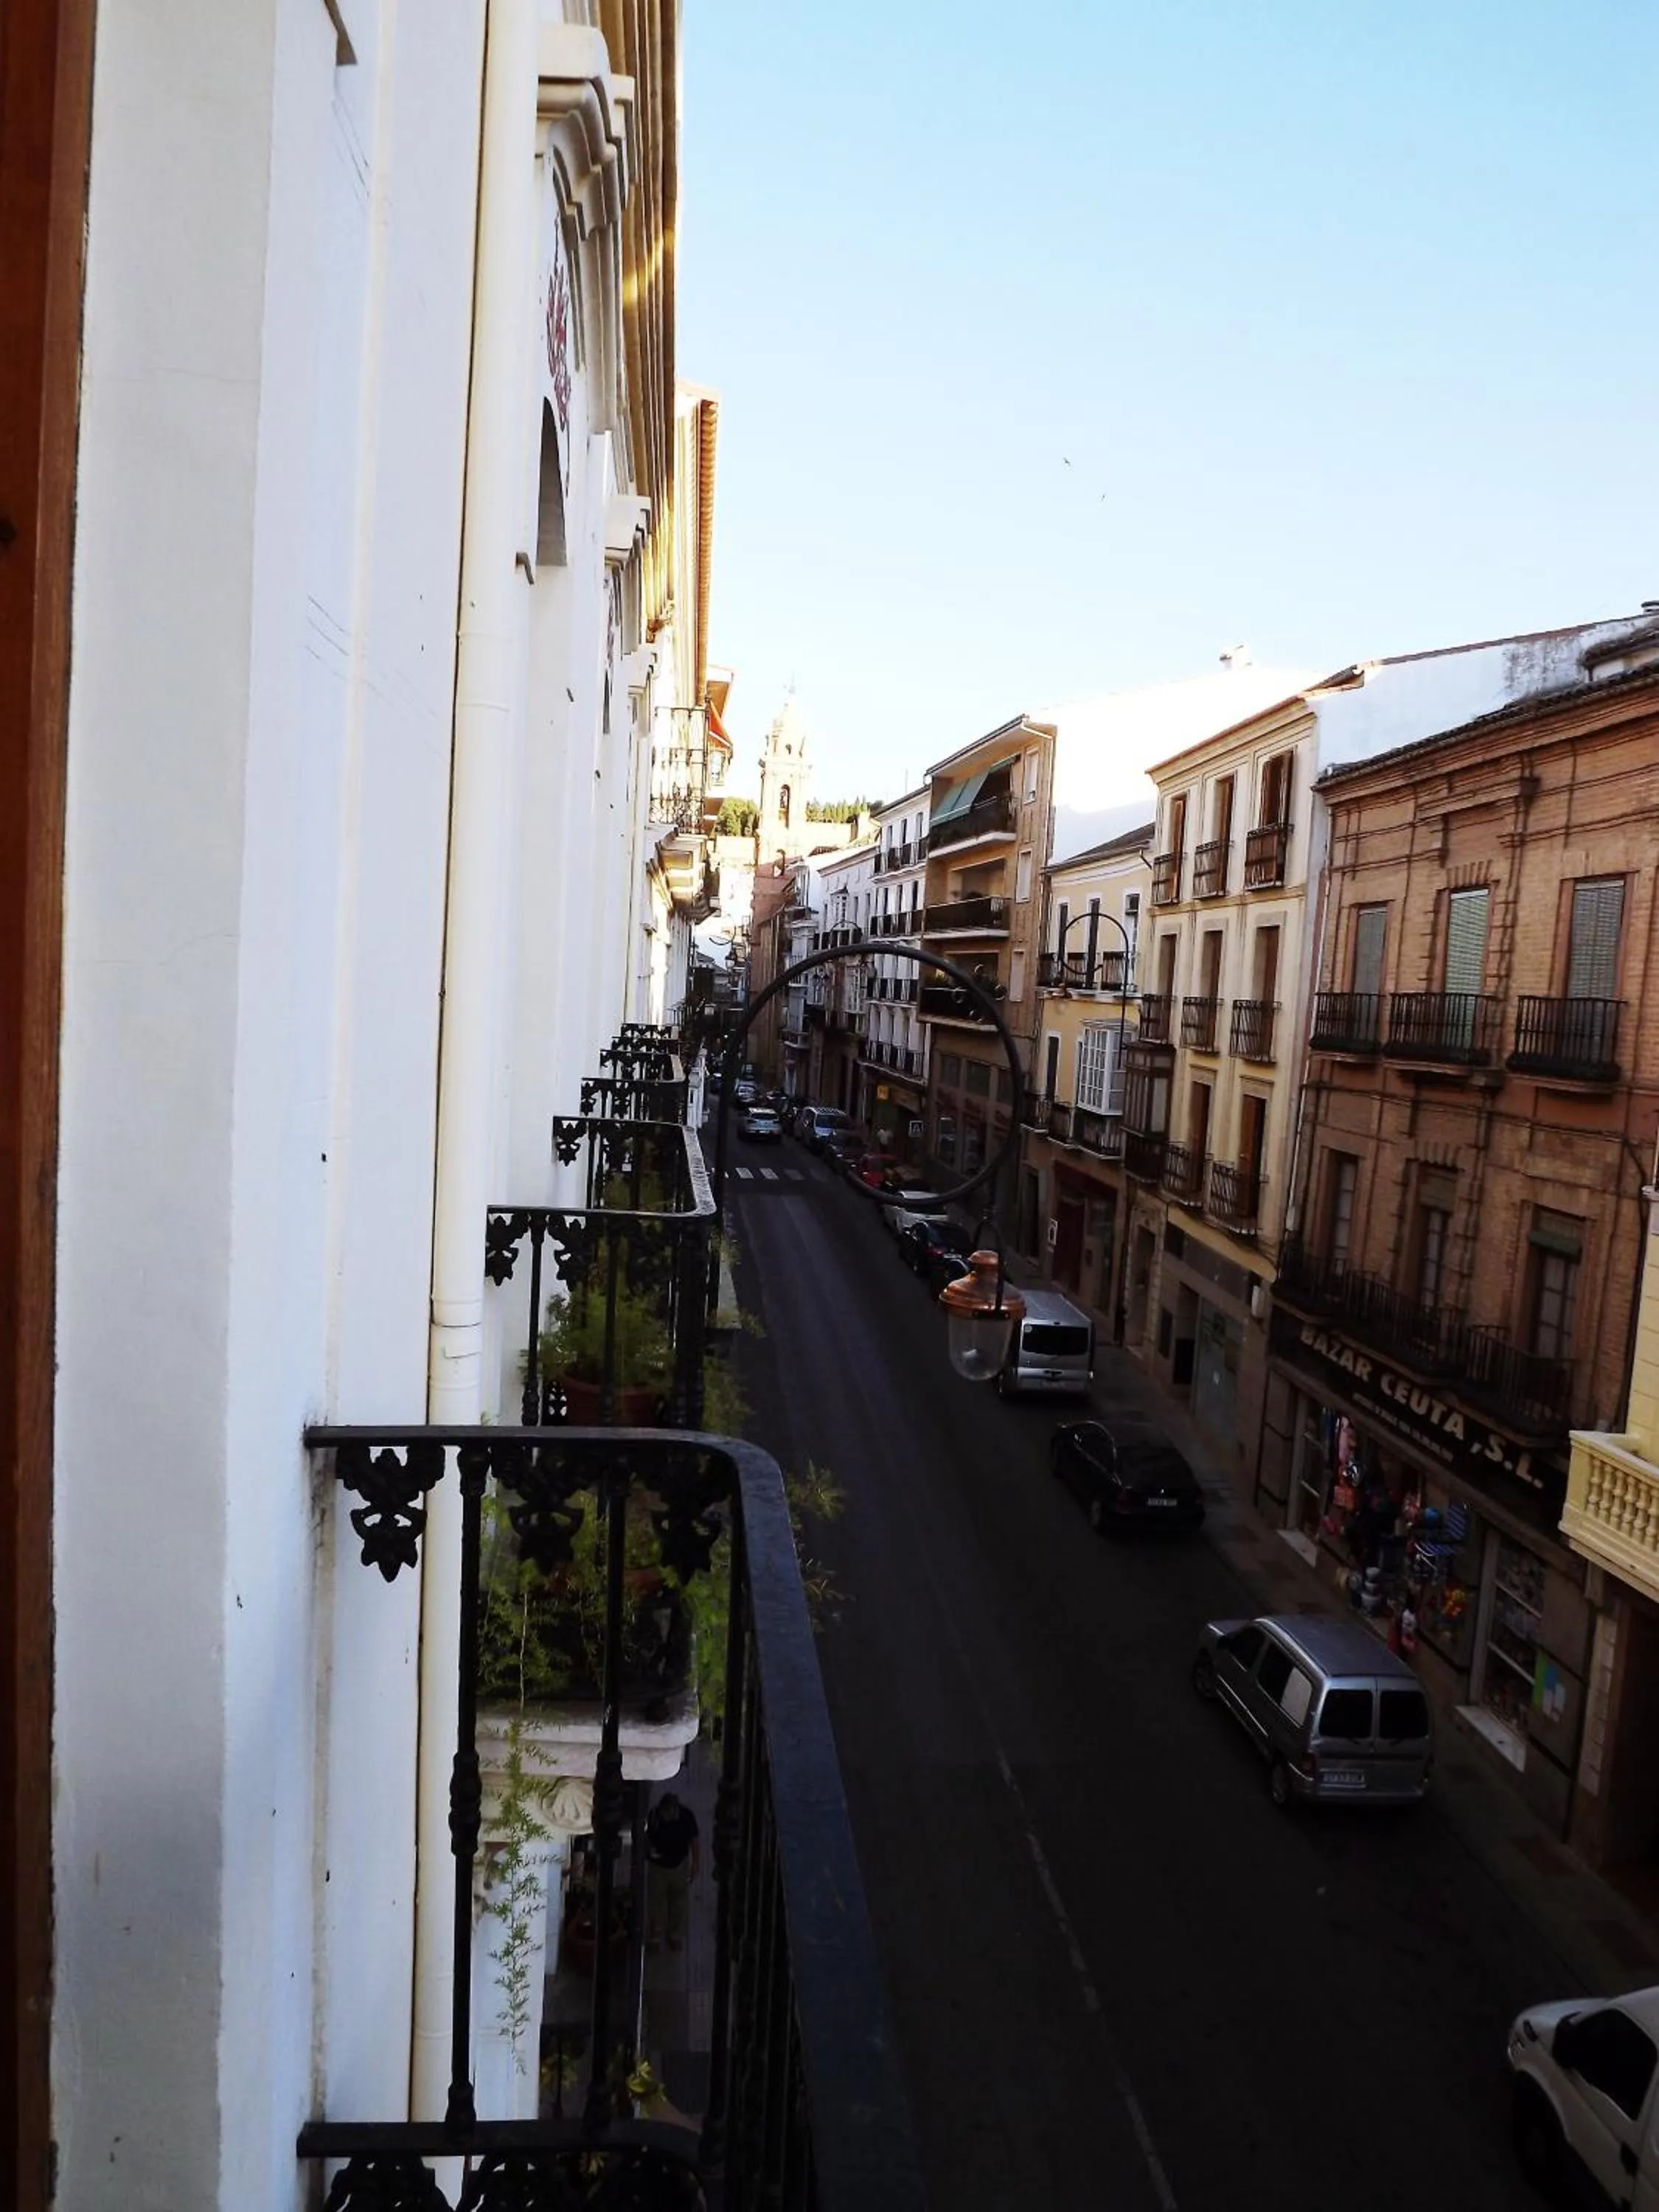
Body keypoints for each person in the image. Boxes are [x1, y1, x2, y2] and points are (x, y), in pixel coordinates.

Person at [644, 1790, 700, 1952]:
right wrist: (649, 1851)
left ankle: (675, 1935)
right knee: (656, 1904)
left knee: (679, 1902)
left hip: (679, 1865)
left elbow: (694, 1840)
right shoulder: (654, 1816)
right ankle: (655, 1936)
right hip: (658, 1868)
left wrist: (695, 1863)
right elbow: (645, 1838)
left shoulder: (687, 1817)